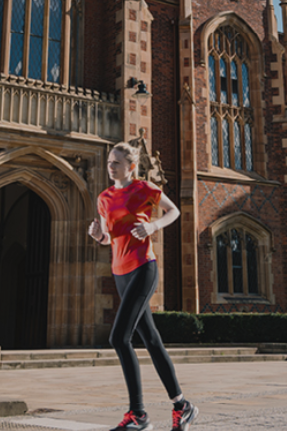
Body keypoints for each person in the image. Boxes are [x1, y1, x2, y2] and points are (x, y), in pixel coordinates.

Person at [89, 142, 198, 431]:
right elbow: (108, 237)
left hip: (143, 267)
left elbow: (173, 211)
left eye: (116, 163)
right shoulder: (104, 198)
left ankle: (138, 414)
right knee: (150, 338)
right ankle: (182, 405)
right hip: (119, 272)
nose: (110, 166)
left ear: (130, 166)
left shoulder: (144, 189)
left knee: (118, 338)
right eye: (109, 162)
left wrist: (153, 227)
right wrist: (97, 234)